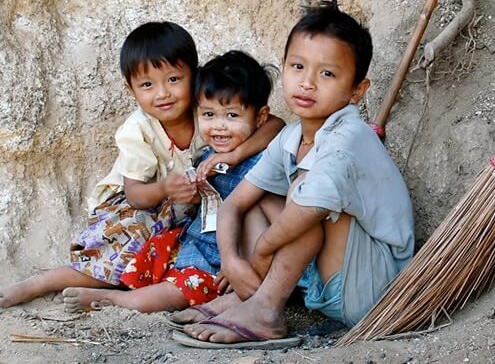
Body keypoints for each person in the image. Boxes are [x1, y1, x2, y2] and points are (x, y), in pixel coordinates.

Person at [179, 0, 415, 345]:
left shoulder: (348, 136)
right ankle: (252, 296)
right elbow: (235, 204)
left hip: (371, 288)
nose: (307, 83)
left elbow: (306, 211)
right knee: (261, 196)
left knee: (303, 194)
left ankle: (265, 310)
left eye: (327, 74)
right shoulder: (291, 135)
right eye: (298, 66)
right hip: (324, 282)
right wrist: (231, 262)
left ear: (357, 91)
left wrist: (259, 252)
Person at [0, 23, 283, 309]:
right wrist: (165, 188)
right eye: (147, 85)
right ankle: (39, 283)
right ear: (131, 88)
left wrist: (235, 156)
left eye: (173, 79)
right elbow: (135, 194)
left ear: (194, 77)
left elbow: (275, 125)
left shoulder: (208, 111)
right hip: (142, 209)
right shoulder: (138, 129)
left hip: (190, 213)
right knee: (113, 265)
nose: (162, 94)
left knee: (158, 264)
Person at [60, 50, 275, 313]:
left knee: (182, 287)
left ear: (260, 117)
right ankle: (97, 285)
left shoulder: (265, 159)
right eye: (208, 115)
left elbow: (262, 219)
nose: (219, 126)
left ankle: (117, 301)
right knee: (148, 259)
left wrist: (242, 264)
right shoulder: (207, 155)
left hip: (230, 260)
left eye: (231, 116)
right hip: (198, 244)